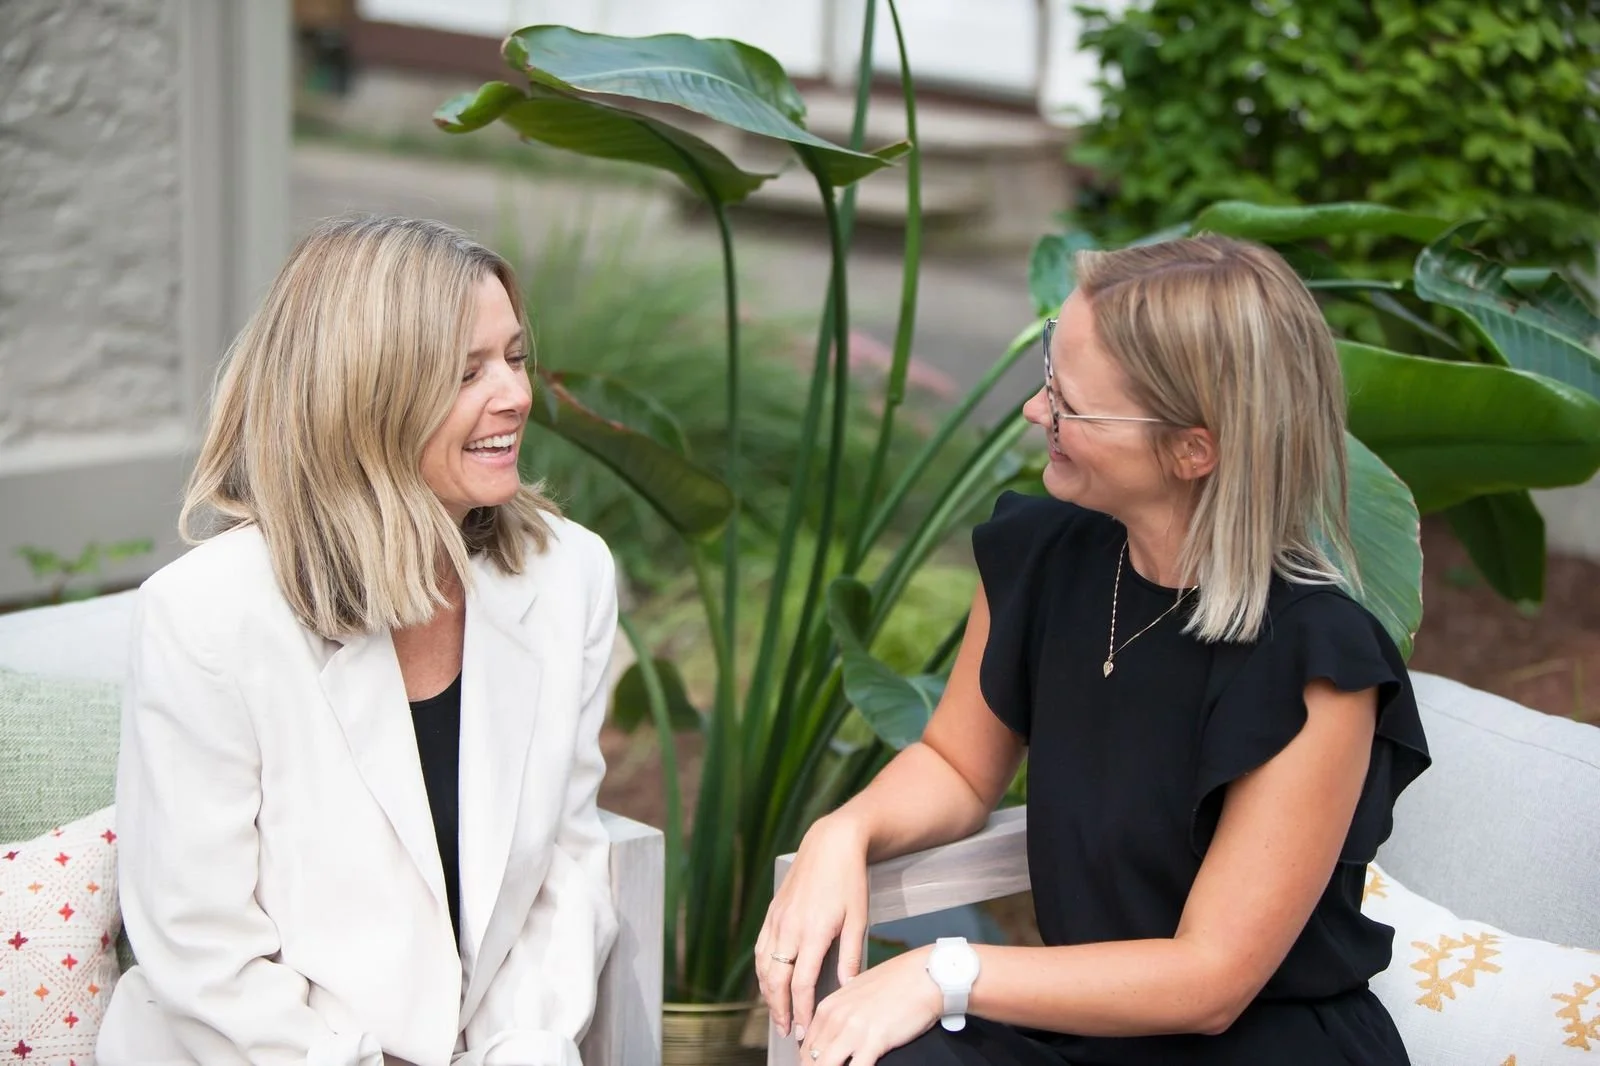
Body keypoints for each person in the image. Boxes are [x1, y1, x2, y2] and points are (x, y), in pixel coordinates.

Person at [755, 234, 1431, 1066]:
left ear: (1194, 448)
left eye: (1069, 403)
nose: (1037, 412)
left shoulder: (1318, 662)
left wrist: (945, 969)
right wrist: (841, 832)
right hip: (1091, 1031)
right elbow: (959, 769)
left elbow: (1209, 981)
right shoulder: (1042, 553)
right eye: (1049, 375)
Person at [97, 215, 619, 1066]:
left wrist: (523, 1048)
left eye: (514, 358)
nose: (517, 395)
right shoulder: (205, 618)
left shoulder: (568, 576)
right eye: (466, 372)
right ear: (365, 396)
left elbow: (564, 864)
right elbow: (203, 953)